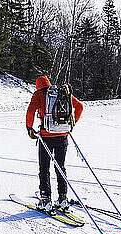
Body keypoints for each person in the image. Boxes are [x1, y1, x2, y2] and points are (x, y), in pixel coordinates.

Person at [25, 76, 83, 214]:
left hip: (46, 137)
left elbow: (30, 111)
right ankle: (62, 199)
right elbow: (79, 106)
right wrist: (71, 125)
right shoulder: (61, 93)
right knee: (60, 167)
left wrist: (29, 128)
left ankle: (45, 201)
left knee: (44, 169)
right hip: (63, 136)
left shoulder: (39, 94)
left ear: (37, 85)